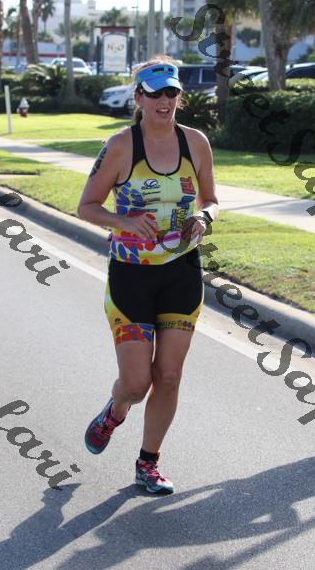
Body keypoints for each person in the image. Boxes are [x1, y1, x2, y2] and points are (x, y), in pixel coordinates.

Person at [77, 55, 219, 495]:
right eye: (155, 93)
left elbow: (212, 200)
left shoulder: (196, 142)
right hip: (131, 276)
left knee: (169, 376)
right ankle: (114, 411)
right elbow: (87, 206)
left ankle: (148, 463)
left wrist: (204, 218)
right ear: (138, 97)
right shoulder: (121, 146)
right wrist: (122, 222)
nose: (165, 101)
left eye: (172, 92)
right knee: (137, 383)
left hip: (181, 272)